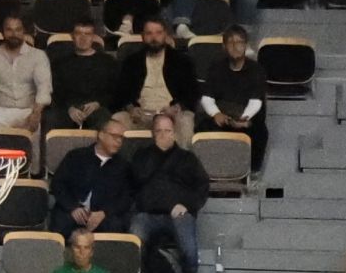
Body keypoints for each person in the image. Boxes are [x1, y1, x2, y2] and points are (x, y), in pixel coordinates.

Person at [127, 113, 208, 273]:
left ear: (174, 133)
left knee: (188, 248)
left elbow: (202, 187)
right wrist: (157, 154)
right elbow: (138, 178)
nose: (164, 135)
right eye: (159, 131)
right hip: (147, 214)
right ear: (153, 134)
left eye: (168, 131)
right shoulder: (142, 156)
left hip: (178, 214)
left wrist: (186, 205)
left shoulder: (187, 158)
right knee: (135, 239)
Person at [111, 16, 199, 146]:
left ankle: (181, 163)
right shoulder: (132, 62)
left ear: (166, 35)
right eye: (149, 33)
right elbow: (120, 93)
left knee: (186, 120)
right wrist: (130, 108)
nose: (154, 38)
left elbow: (193, 92)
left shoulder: (181, 61)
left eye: (158, 33)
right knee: (117, 119)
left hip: (171, 114)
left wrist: (176, 108)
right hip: (141, 115)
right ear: (142, 36)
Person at [49, 117, 134, 238]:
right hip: (72, 210)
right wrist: (73, 207)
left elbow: (126, 197)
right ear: (101, 135)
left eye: (121, 137)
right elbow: (58, 183)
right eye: (114, 136)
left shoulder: (123, 166)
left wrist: (104, 213)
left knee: (115, 228)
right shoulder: (76, 156)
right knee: (60, 224)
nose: (119, 141)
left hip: (103, 215)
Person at [0, 15, 51, 137]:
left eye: (18, 29)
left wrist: (36, 112)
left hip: (27, 111)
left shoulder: (38, 56)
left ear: (24, 32)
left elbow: (44, 88)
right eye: (9, 30)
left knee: (36, 125)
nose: (14, 34)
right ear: (2, 32)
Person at [199, 24, 268, 168]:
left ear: (246, 45)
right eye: (231, 42)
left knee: (259, 132)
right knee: (202, 127)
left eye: (239, 42)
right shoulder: (216, 67)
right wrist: (216, 114)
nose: (235, 46)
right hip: (222, 115)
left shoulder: (256, 69)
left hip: (247, 118)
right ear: (224, 47)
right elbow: (207, 98)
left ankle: (251, 172)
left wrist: (244, 118)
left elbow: (256, 102)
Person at [44, 19, 119, 135]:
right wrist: (69, 108)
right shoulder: (60, 63)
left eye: (87, 34)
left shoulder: (108, 62)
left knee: (105, 122)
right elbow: (55, 92)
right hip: (68, 109)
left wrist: (98, 103)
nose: (83, 38)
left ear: (93, 37)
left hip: (97, 108)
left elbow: (114, 91)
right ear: (72, 36)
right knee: (51, 119)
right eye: (78, 33)